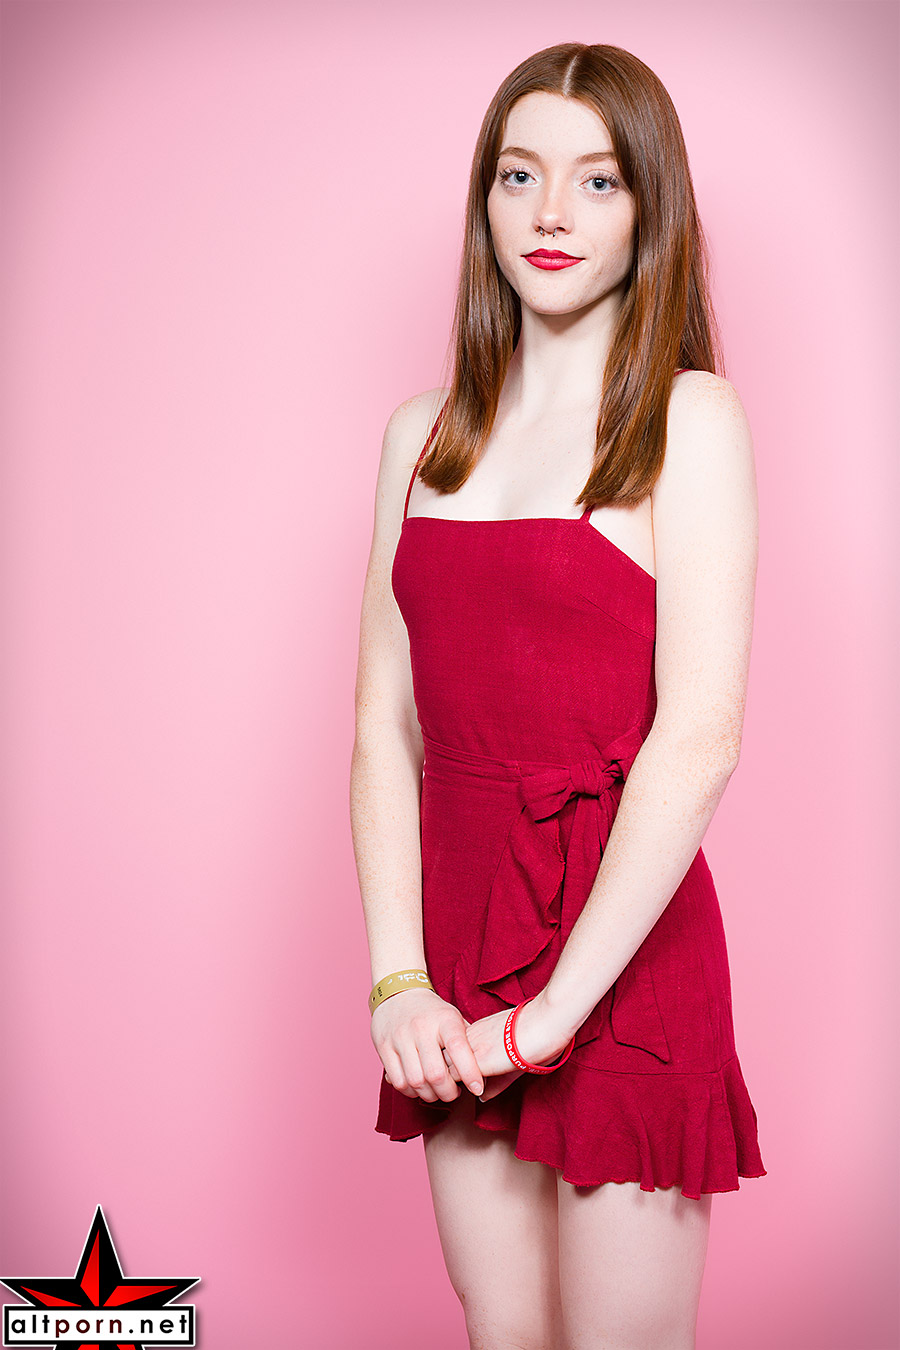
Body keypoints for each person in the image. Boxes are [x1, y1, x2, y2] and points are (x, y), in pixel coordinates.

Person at [350, 41, 766, 1350]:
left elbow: (699, 741)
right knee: (505, 1331)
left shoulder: (690, 419)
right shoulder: (418, 435)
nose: (549, 212)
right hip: (457, 961)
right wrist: (399, 983)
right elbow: (382, 729)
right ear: (485, 197)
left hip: (621, 957)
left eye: (597, 180)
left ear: (650, 209)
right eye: (519, 173)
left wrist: (549, 1020)